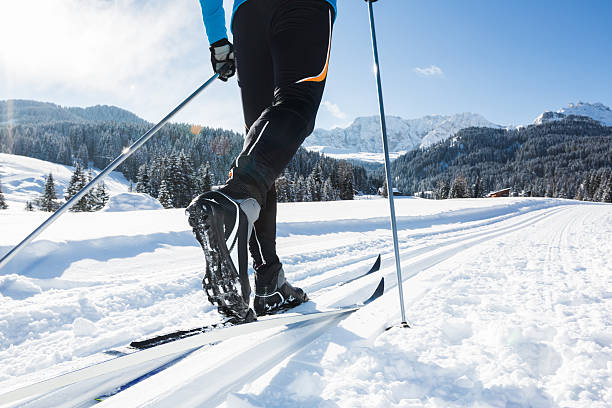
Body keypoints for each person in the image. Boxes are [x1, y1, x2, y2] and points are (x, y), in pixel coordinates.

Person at [187, 0, 337, 323]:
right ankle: (235, 200)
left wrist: (217, 38)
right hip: (303, 8)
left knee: (261, 149)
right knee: (296, 104)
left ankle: (269, 280)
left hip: (249, 16)